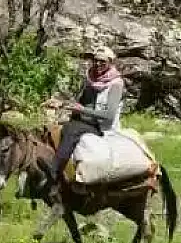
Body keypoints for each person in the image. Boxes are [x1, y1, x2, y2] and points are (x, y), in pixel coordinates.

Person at [48, 45, 125, 188]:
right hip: (85, 120)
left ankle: (54, 173)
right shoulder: (91, 78)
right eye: (96, 60)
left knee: (71, 130)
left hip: (101, 126)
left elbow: (108, 116)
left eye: (103, 61)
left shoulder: (116, 84)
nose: (98, 64)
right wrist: (62, 104)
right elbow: (82, 103)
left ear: (110, 62)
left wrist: (82, 110)